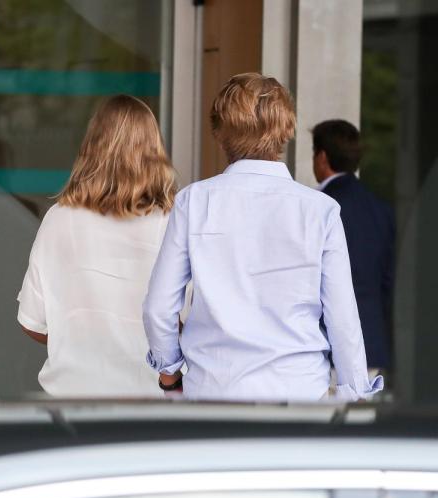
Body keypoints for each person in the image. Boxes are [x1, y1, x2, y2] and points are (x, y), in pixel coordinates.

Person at [143, 73, 382, 401]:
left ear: (219, 133)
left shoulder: (193, 202)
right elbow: (343, 321)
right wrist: (353, 398)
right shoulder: (320, 211)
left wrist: (170, 377)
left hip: (213, 393)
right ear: (286, 131)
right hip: (299, 395)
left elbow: (159, 308)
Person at [16, 95, 176, 397]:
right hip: (149, 403)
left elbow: (32, 322)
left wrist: (79, 334)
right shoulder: (172, 223)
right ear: (154, 150)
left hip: (72, 403)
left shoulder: (59, 219)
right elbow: (186, 320)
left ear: (92, 147)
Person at [312, 120, 394, 378]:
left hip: (323, 348)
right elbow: (390, 283)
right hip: (370, 346)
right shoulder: (381, 210)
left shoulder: (317, 207)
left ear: (322, 157)